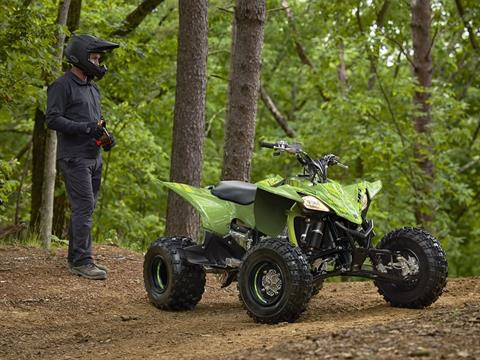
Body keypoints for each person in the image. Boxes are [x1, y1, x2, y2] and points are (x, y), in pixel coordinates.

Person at [45, 34, 119, 280]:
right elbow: (53, 119)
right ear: (80, 58)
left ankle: (75, 257)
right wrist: (87, 128)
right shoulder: (61, 85)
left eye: (99, 58)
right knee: (84, 206)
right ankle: (82, 261)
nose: (98, 63)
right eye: (94, 58)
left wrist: (105, 137)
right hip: (74, 157)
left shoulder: (92, 88)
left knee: (86, 208)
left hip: (93, 155)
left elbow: (95, 122)